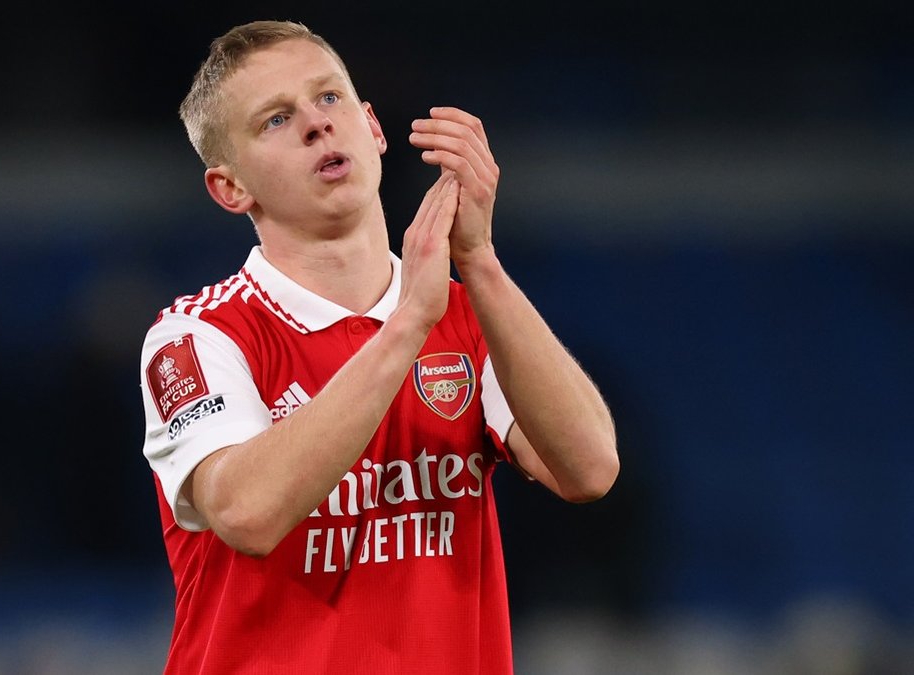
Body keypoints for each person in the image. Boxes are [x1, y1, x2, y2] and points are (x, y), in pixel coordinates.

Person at [139, 20, 619, 674]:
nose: (317, 124)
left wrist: (478, 260)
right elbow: (247, 512)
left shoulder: (468, 315)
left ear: (372, 126)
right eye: (276, 119)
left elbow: (589, 469)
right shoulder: (197, 336)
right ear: (231, 187)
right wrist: (408, 324)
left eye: (329, 97)